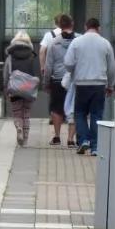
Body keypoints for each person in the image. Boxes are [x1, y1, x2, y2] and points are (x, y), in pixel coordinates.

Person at [64, 17, 115, 155]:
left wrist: (75, 70)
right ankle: (95, 147)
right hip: (99, 85)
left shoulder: (76, 42)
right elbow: (111, 68)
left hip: (81, 84)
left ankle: (83, 141)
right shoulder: (105, 44)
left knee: (80, 113)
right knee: (96, 115)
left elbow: (68, 63)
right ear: (99, 28)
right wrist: (110, 85)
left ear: (85, 26)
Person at [44, 14, 78, 147]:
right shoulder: (79, 40)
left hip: (57, 79)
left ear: (59, 25)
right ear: (72, 23)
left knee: (57, 109)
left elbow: (48, 66)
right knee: (74, 108)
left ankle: (57, 137)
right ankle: (70, 139)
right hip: (75, 80)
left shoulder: (53, 42)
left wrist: (46, 83)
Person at [3, 30, 40, 146]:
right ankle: (25, 139)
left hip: (14, 88)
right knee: (26, 113)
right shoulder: (33, 56)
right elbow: (37, 74)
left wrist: (5, 87)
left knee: (17, 112)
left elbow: (6, 73)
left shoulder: (10, 56)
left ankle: (18, 127)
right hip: (28, 87)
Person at [39, 15, 62, 126]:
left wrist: (43, 66)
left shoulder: (49, 35)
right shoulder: (71, 35)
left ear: (55, 23)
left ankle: (53, 117)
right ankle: (66, 116)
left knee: (53, 94)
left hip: (53, 70)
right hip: (68, 70)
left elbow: (42, 51)